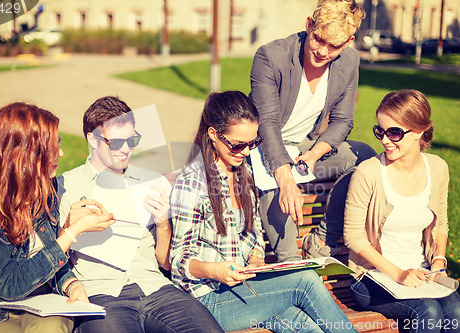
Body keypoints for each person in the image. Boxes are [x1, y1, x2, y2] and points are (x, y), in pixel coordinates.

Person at [170, 90, 358, 333]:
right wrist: (214, 270)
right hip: (207, 300)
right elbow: (178, 260)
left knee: (308, 328)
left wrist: (257, 258)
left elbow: (254, 231)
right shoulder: (193, 183)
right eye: (238, 145)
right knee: (305, 280)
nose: (246, 152)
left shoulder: (242, 171)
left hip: (244, 290)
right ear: (213, 134)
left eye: (252, 143)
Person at [57, 96, 224, 333]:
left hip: (155, 288)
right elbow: (51, 257)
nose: (126, 149)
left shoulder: (151, 181)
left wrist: (163, 223)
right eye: (116, 142)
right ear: (92, 140)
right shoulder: (65, 186)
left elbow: (165, 263)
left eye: (131, 140)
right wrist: (70, 228)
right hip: (101, 293)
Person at [0, 102, 115, 333]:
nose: (61, 154)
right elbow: (10, 284)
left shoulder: (45, 188)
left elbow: (45, 251)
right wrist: (72, 233)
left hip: (37, 300)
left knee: (52, 328)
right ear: (22, 154)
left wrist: (71, 284)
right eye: (51, 147)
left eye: (59, 144)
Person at [249, 0, 376, 261]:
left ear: (349, 41)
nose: (323, 51)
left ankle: (320, 239)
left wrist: (314, 155)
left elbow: (342, 120)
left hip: (304, 150)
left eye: (335, 46)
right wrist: (285, 179)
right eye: (319, 39)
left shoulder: (349, 61)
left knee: (364, 156)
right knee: (278, 197)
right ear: (309, 25)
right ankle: (291, 264)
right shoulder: (271, 56)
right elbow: (267, 123)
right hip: (263, 150)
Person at [344, 90, 460, 332]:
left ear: (419, 131)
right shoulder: (368, 173)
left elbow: (441, 223)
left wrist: (438, 258)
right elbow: (353, 235)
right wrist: (398, 274)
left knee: (455, 311)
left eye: (394, 132)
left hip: (423, 272)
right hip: (373, 277)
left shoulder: (437, 167)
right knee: (427, 312)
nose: (385, 140)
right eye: (380, 131)